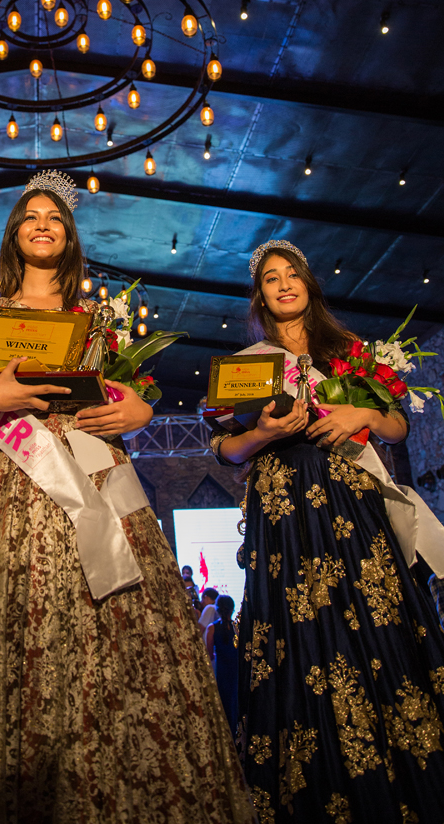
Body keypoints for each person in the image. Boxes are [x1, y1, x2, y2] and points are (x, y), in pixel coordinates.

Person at [0, 172, 254, 824]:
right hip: (13, 476)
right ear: (14, 237)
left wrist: (136, 408)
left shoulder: (96, 317)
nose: (43, 223)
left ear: (69, 237)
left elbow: (129, 396)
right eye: (31, 216)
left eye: (55, 217)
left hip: (94, 468)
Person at [208, 239, 444, 824]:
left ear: (309, 284)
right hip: (283, 514)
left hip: (350, 504)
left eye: (292, 275)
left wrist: (361, 414)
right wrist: (261, 433)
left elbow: (393, 429)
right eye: (270, 279)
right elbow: (226, 451)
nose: (284, 284)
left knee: (372, 621)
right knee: (296, 636)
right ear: (259, 297)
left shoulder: (351, 352)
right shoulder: (248, 365)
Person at [205, 594, 237, 734]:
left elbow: (209, 654)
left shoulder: (212, 628)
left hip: (221, 669)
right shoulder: (237, 627)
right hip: (236, 670)